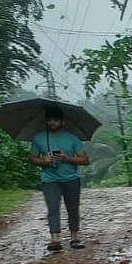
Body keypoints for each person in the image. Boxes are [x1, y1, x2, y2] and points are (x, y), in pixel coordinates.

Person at [29, 105, 90, 251]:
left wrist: (67, 158)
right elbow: (32, 157)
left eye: (55, 120)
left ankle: (74, 237)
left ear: (62, 122)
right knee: (52, 208)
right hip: (50, 179)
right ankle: (55, 239)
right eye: (49, 120)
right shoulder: (39, 138)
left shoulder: (72, 138)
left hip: (71, 178)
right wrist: (43, 161)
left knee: (73, 208)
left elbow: (85, 160)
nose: (52, 122)